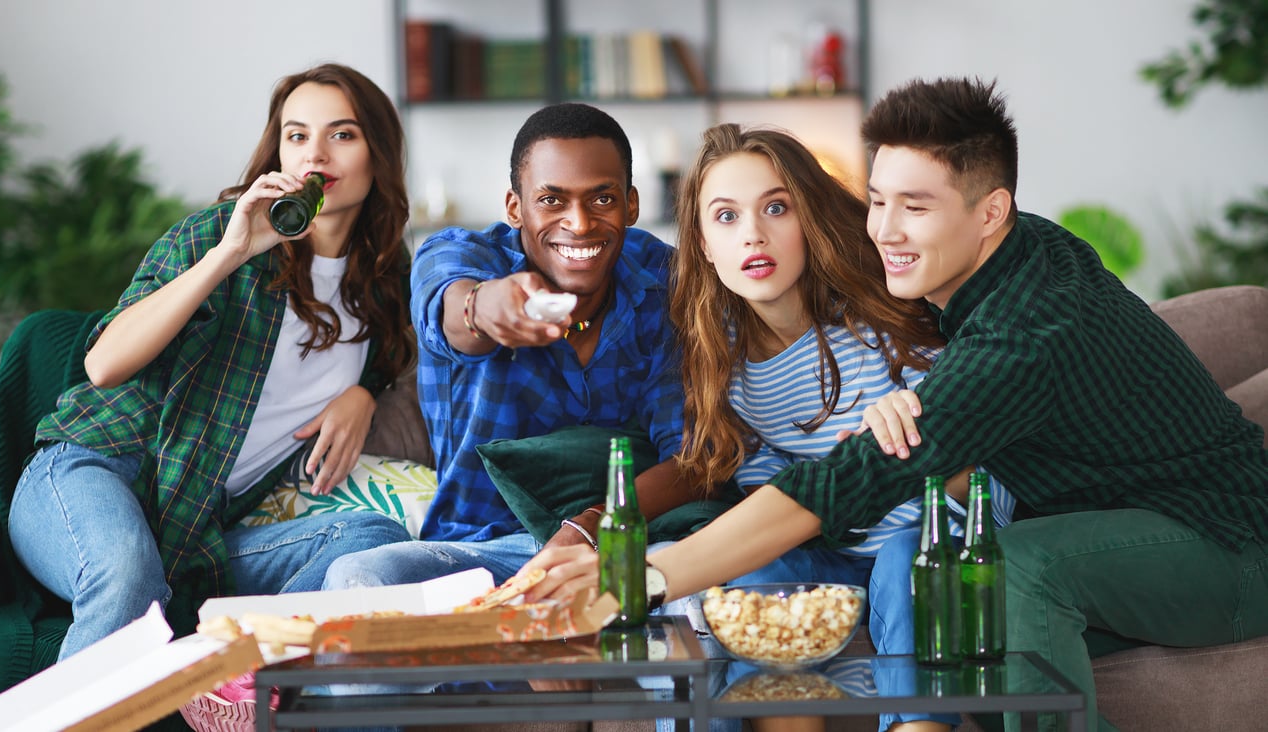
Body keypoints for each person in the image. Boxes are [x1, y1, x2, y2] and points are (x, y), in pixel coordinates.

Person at [522, 77, 1268, 732]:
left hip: (1225, 545)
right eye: (878, 201)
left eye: (916, 206)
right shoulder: (1013, 254)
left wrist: (641, 577)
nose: (885, 229)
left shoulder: (1021, 335)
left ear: (989, 212)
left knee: (1013, 567)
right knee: (969, 620)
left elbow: (845, 482)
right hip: (1117, 537)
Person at [7, 63, 414, 658]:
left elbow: (392, 351)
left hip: (196, 526)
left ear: (378, 154)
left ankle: (235, 674)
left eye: (342, 134)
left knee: (372, 536)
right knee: (129, 576)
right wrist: (230, 254)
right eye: (297, 135)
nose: (315, 154)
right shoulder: (220, 235)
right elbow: (104, 365)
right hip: (94, 470)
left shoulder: (385, 278)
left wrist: (366, 393)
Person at [323, 102, 698, 590]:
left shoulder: (666, 282)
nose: (579, 223)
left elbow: (695, 457)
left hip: (626, 541)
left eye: (601, 200)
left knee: (712, 583)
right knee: (362, 571)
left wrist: (589, 530)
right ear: (514, 207)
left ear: (632, 204)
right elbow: (453, 307)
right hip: (484, 548)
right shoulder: (458, 253)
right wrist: (487, 308)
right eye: (552, 200)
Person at [669, 122, 1016, 592]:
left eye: (776, 208)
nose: (753, 234)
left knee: (900, 561)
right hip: (833, 547)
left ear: (808, 220)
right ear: (705, 244)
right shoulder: (721, 359)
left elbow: (986, 478)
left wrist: (895, 458)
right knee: (753, 576)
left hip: (932, 538)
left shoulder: (885, 320)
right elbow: (762, 481)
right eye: (726, 217)